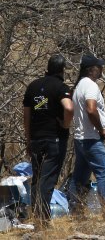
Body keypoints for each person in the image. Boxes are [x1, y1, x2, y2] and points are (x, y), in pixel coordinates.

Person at [22, 55, 73, 223]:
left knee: (36, 178)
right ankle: (43, 219)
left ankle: (36, 216)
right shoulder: (60, 87)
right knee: (48, 179)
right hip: (54, 140)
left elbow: (27, 117)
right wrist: (65, 125)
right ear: (62, 71)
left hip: (36, 139)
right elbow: (69, 107)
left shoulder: (33, 87)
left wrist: (28, 140)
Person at [69, 54, 105, 211]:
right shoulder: (90, 85)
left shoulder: (79, 85)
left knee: (79, 177)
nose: (101, 69)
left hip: (80, 138)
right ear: (91, 70)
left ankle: (75, 210)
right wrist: (102, 129)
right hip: (91, 138)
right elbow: (91, 109)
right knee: (104, 173)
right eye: (99, 67)